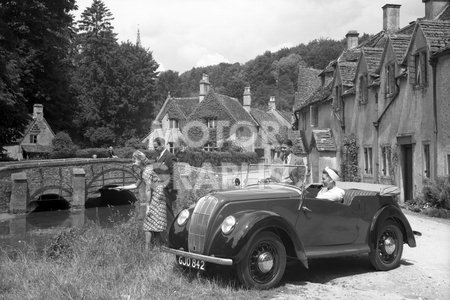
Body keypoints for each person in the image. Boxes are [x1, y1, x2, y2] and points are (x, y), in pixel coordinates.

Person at [113, 150, 167, 250]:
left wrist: (147, 207)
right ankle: (157, 247)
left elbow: (148, 190)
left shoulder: (147, 171)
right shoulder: (143, 170)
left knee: (150, 222)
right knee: (153, 222)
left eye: (134, 159)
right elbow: (136, 185)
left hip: (157, 196)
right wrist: (122, 187)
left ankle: (149, 249)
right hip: (156, 194)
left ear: (140, 160)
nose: (132, 161)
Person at [153, 137, 177, 242]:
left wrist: (164, 186)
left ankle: (174, 239)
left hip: (166, 192)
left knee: (168, 217)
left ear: (162, 145)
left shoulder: (170, 157)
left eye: (156, 147)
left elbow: (175, 175)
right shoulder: (157, 157)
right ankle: (162, 240)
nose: (155, 149)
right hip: (157, 191)